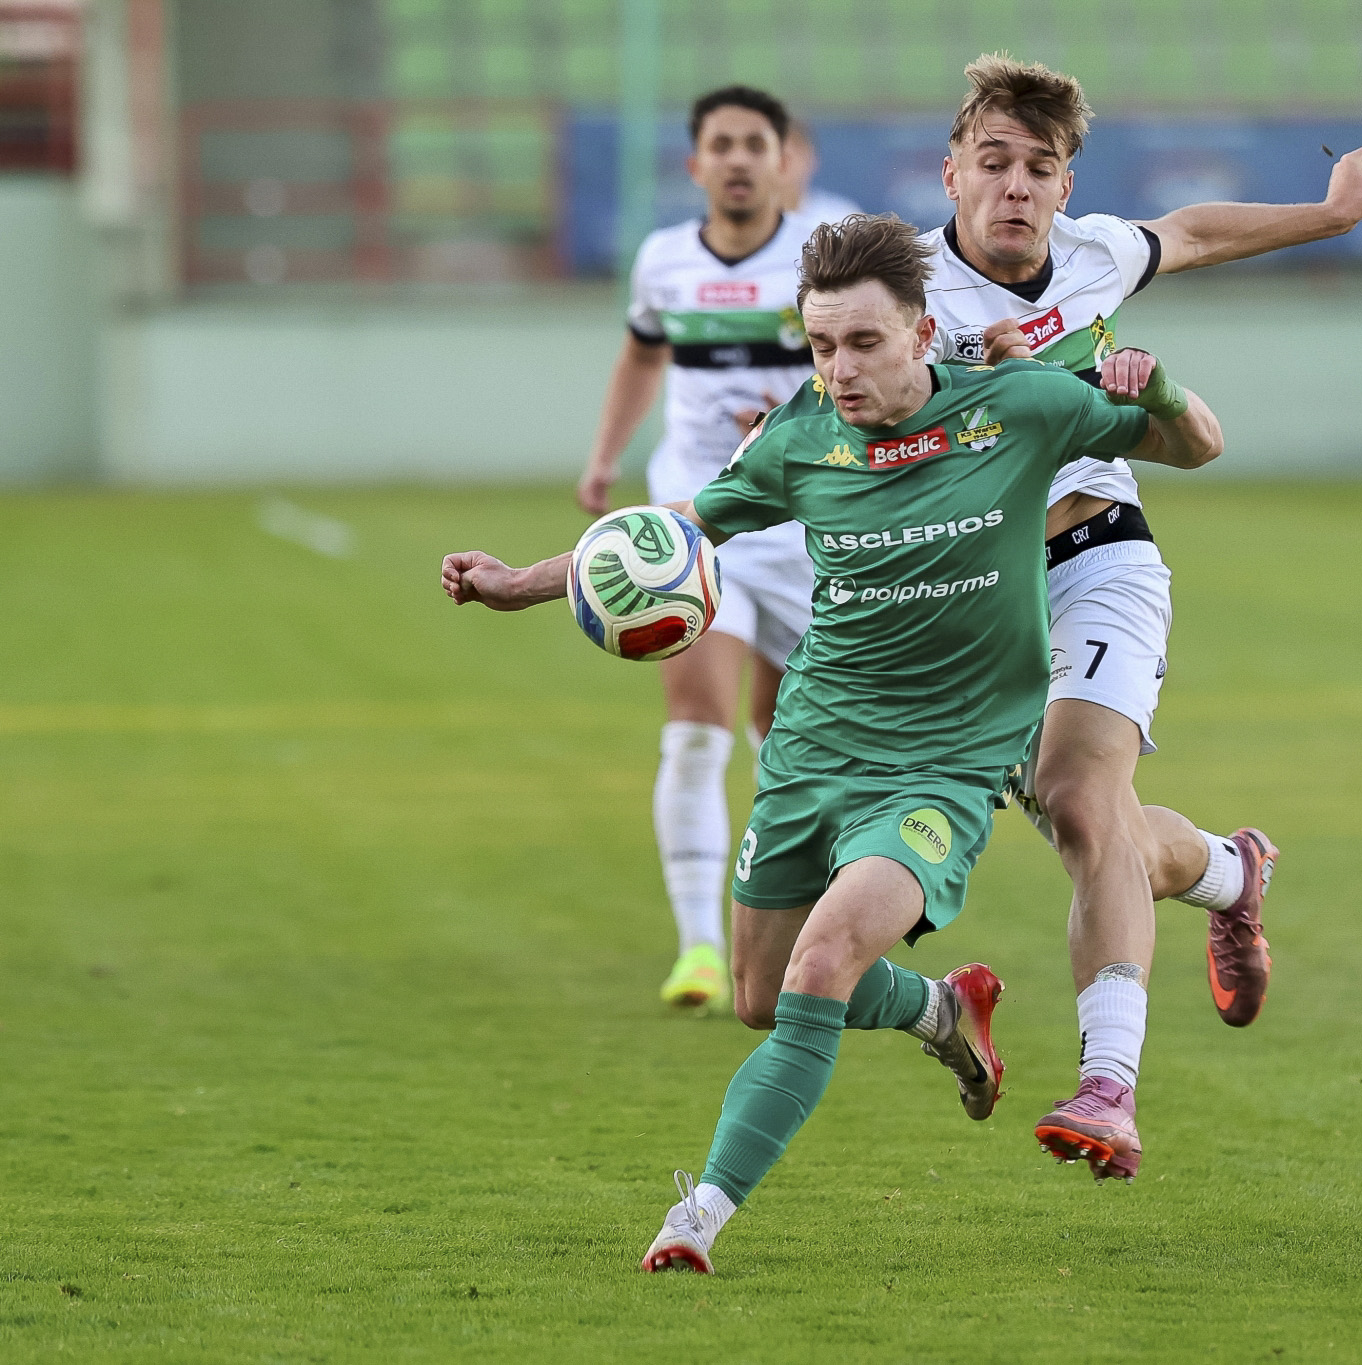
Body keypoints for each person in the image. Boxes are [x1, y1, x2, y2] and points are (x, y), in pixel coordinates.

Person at [439, 214, 1225, 1273]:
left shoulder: (1022, 407)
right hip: (811, 753)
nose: (839, 368)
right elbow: (679, 529)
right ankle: (940, 1008)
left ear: (921, 332)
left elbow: (1194, 445)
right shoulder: (800, 436)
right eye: (819, 345)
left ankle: (698, 1216)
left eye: (862, 342)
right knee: (760, 995)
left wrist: (1159, 388)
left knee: (819, 965)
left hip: (939, 769)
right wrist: (523, 583)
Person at [923, 54, 1362, 1180]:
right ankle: (1231, 871)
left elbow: (1187, 231)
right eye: (992, 162)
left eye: (1039, 167)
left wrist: (1330, 217)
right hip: (975, 595)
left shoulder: (1094, 255)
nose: (1015, 186)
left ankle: (1108, 1088)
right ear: (950, 174)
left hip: (1101, 558)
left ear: (1064, 184)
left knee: (1081, 799)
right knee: (1105, 837)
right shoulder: (903, 288)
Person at [576, 86, 826, 1011]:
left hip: (802, 526)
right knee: (692, 730)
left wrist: (798, 416)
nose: (737, 159)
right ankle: (698, 950)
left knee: (786, 740)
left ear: (782, 160)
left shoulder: (821, 258)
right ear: (695, 165)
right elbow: (643, 354)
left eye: (754, 143)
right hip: (694, 526)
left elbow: (864, 363)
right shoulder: (664, 261)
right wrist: (605, 457)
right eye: (721, 144)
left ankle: (791, 934)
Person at [783, 118, 864, 226]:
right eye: (780, 156)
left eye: (791, 156)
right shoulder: (758, 220)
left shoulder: (844, 217)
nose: (786, 165)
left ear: (812, 159)